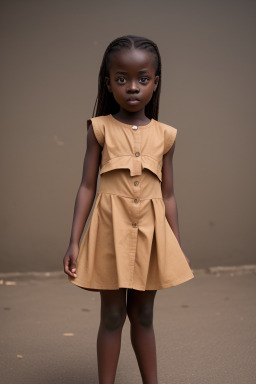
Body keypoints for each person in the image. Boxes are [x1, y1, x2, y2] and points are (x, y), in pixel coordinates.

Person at [63, 34, 194, 384]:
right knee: (111, 316)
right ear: (109, 83)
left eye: (142, 79)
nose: (132, 87)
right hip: (110, 234)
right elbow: (87, 186)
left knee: (145, 315)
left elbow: (168, 195)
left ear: (156, 82)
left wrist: (174, 244)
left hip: (152, 236)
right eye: (121, 79)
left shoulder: (166, 136)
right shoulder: (100, 129)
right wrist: (74, 240)